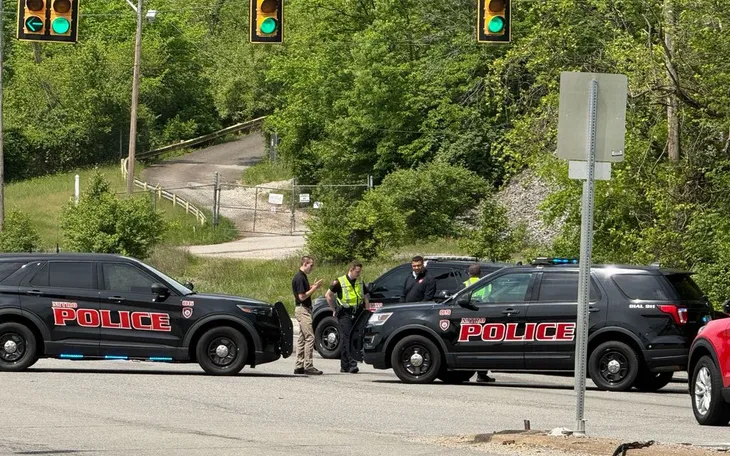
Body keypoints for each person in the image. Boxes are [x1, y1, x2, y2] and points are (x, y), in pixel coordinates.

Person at [326, 261, 369, 374]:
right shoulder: (339, 281)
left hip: (357, 312)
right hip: (344, 313)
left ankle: (344, 366)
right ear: (351, 269)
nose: (359, 274)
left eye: (360, 271)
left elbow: (365, 297)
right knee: (349, 337)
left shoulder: (359, 282)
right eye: (357, 271)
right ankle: (352, 364)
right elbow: (328, 295)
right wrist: (334, 309)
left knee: (348, 338)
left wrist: (367, 311)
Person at [462, 263, 495, 383]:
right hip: (482, 315)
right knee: (482, 346)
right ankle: (481, 374)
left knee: (467, 345)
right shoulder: (487, 285)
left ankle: (464, 372)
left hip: (467, 317)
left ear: (469, 273)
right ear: (480, 273)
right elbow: (491, 299)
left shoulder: (465, 284)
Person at [292, 256, 324, 375]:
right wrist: (314, 288)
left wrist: (312, 286)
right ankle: (308, 365)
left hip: (302, 309)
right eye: (311, 265)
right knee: (310, 337)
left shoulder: (302, 276)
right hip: (303, 310)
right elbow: (302, 296)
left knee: (302, 338)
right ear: (305, 264)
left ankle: (299, 365)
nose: (312, 268)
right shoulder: (300, 277)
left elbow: (303, 291)